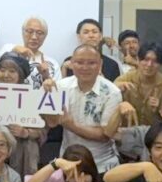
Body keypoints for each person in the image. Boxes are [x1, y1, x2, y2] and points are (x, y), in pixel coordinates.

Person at [51, 44, 122, 173]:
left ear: (100, 64)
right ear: (71, 63)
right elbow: (50, 122)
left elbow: (105, 134)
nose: (85, 67)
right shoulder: (60, 87)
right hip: (68, 161)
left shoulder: (112, 92)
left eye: (91, 63)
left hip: (101, 164)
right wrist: (45, 89)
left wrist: (72, 126)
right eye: (79, 62)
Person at [0, 52, 48, 176]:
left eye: (12, 71)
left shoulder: (33, 97)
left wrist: (26, 132)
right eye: (2, 70)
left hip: (22, 155)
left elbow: (43, 131)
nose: (6, 75)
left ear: (21, 74)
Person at [113, 42, 162, 127]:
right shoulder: (126, 78)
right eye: (146, 59)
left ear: (161, 65)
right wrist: (116, 88)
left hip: (153, 132)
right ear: (138, 60)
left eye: (155, 61)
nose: (149, 65)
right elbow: (109, 95)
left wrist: (160, 109)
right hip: (126, 130)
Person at [0, 16, 60, 89]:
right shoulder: (9, 49)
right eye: (30, 31)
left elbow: (58, 91)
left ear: (45, 36)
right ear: (23, 33)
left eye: (39, 33)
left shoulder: (53, 64)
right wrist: (14, 50)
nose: (34, 37)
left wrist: (47, 77)